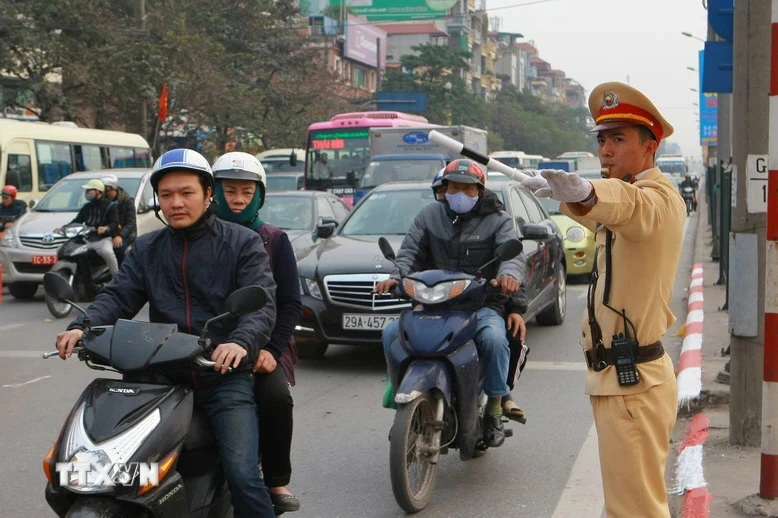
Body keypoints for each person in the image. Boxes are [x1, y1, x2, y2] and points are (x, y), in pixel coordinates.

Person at [54, 149, 278, 518]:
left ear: (208, 195)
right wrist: (82, 325)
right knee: (108, 466)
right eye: (167, 195)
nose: (176, 202)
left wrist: (239, 342)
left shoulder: (242, 243)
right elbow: (119, 295)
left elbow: (261, 303)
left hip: (220, 377)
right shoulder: (147, 247)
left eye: (186, 193)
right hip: (157, 379)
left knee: (243, 475)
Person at [522, 81, 685, 517]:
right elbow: (607, 216)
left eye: (618, 139)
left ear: (649, 147)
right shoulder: (628, 196)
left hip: (635, 382)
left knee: (635, 511)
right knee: (627, 507)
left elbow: (627, 205)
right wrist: (571, 199)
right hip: (618, 379)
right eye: (601, 140)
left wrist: (586, 192)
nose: (606, 150)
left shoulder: (660, 199)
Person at [375, 159, 526, 447]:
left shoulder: (499, 219)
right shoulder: (429, 215)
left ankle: (494, 408)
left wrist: (508, 276)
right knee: (391, 334)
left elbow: (512, 258)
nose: (460, 194)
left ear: (479, 191)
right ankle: (400, 395)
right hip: (434, 304)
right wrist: (396, 277)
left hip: (481, 304)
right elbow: (408, 253)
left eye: (467, 189)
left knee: (494, 339)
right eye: (454, 187)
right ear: (444, 189)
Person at [211, 151, 303, 514]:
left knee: (276, 397)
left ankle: (277, 479)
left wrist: (272, 350)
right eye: (229, 191)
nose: (237, 200)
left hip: (265, 343)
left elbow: (290, 303)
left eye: (246, 192)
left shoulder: (274, 240)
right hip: (207, 342)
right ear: (213, 192)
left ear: (259, 196)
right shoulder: (197, 236)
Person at [54, 179, 119, 278]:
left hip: (103, 239)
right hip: (86, 239)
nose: (87, 193)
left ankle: (118, 279)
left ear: (98, 191)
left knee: (107, 252)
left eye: (89, 190)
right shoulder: (87, 207)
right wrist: (63, 228)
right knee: (65, 249)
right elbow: (77, 220)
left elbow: (114, 223)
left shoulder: (110, 206)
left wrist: (106, 228)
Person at [100, 174, 137, 266]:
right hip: (107, 233)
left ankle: (122, 272)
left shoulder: (127, 201)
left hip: (125, 234)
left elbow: (131, 222)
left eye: (103, 188)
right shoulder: (102, 201)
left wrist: (120, 235)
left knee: (118, 248)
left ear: (110, 188)